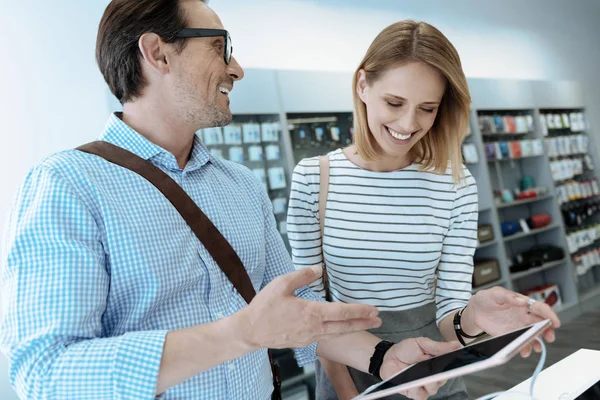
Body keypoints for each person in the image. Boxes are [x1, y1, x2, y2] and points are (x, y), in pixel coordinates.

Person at [0, 2, 466, 400]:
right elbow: (44, 372)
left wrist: (383, 356)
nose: (237, 68)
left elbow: (301, 308)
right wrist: (240, 333)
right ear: (156, 52)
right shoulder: (68, 185)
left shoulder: (240, 185)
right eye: (220, 48)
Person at [287, 20, 561, 400]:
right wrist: (349, 392)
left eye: (427, 108)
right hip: (346, 379)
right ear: (363, 85)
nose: (408, 124)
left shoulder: (456, 183)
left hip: (434, 379)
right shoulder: (313, 179)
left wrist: (475, 315)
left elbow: (449, 314)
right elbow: (309, 308)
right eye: (394, 103)